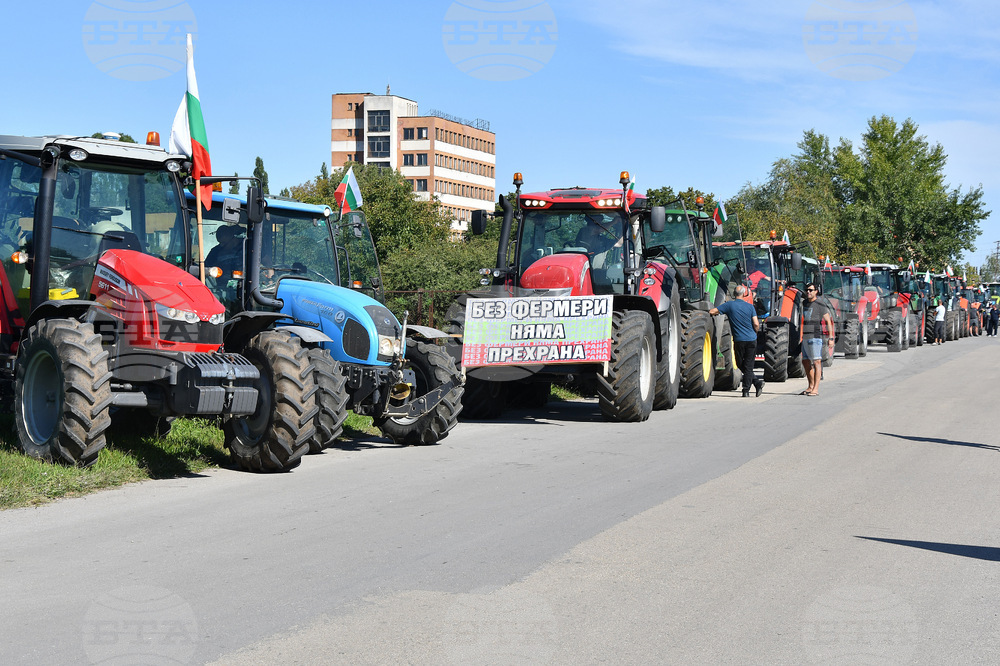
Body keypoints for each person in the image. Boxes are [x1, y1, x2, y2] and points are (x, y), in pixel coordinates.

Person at [710, 284, 763, 397]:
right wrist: (755, 333)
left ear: (734, 294)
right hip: (751, 340)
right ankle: (756, 383)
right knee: (747, 366)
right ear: (744, 294)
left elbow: (713, 311)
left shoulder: (729, 305)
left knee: (741, 364)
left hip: (739, 340)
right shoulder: (750, 307)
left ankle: (746, 390)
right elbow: (756, 323)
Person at [801, 282, 834, 396]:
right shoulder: (804, 303)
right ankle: (810, 386)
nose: (808, 292)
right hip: (805, 336)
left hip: (815, 337)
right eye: (807, 290)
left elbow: (828, 321)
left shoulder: (820, 304)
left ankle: (816, 388)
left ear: (816, 291)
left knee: (816, 362)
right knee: (805, 361)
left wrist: (831, 338)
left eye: (811, 290)